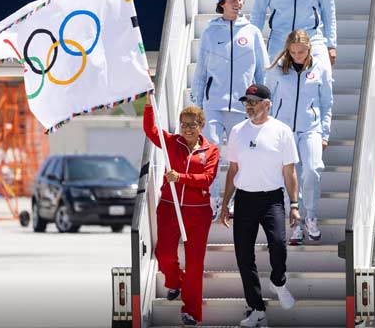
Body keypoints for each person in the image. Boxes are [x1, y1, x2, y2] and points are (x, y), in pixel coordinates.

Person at [218, 84, 300, 327]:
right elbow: (233, 169)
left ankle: (279, 281)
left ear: (267, 104)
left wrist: (294, 204)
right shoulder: (237, 131)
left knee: (278, 245)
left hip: (272, 199)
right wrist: (225, 205)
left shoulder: (282, 131)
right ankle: (257, 309)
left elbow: (290, 171)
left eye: (254, 101)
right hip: (244, 200)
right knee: (244, 256)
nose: (249, 105)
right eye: (247, 101)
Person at [192, 0, 269, 220]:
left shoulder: (252, 32)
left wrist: (263, 103)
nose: (237, 3)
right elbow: (201, 72)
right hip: (214, 103)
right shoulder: (210, 32)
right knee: (212, 150)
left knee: (240, 155)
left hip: (242, 106)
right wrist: (197, 104)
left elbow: (261, 72)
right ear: (222, 4)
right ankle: (212, 198)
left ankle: (234, 200)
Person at [143, 98, 220, 326]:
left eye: (192, 124)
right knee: (164, 254)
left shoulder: (211, 150)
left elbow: (207, 178)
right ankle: (175, 281)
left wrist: (181, 177)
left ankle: (192, 312)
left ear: (201, 125)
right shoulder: (171, 142)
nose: (187, 128)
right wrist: (148, 105)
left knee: (195, 265)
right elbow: (150, 129)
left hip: (198, 213)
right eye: (184, 124)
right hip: (169, 206)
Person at [265, 29, 333, 245]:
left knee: (312, 170)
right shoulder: (277, 70)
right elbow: (268, 100)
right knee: (288, 176)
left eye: (301, 52)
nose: (297, 56)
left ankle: (311, 216)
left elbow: (326, 103)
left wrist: (325, 132)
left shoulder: (320, 68)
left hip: (311, 129)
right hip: (283, 131)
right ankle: (294, 224)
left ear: (309, 48)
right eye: (293, 52)